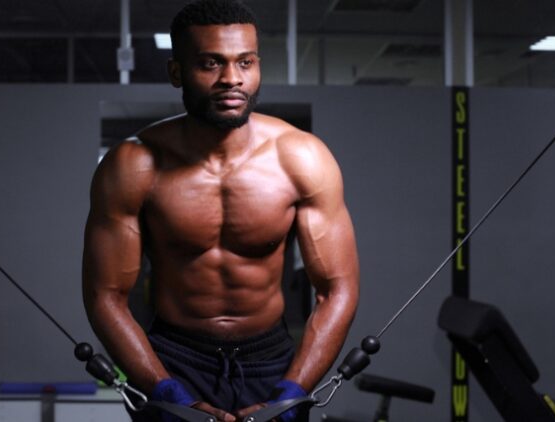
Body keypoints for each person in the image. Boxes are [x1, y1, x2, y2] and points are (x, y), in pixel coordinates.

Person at [82, 0, 359, 421]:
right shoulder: (133, 166)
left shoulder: (301, 158)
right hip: (173, 357)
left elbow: (336, 287)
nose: (232, 79)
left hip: (273, 360)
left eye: (245, 62)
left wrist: (295, 387)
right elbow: (106, 295)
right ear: (177, 72)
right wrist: (162, 387)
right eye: (211, 63)